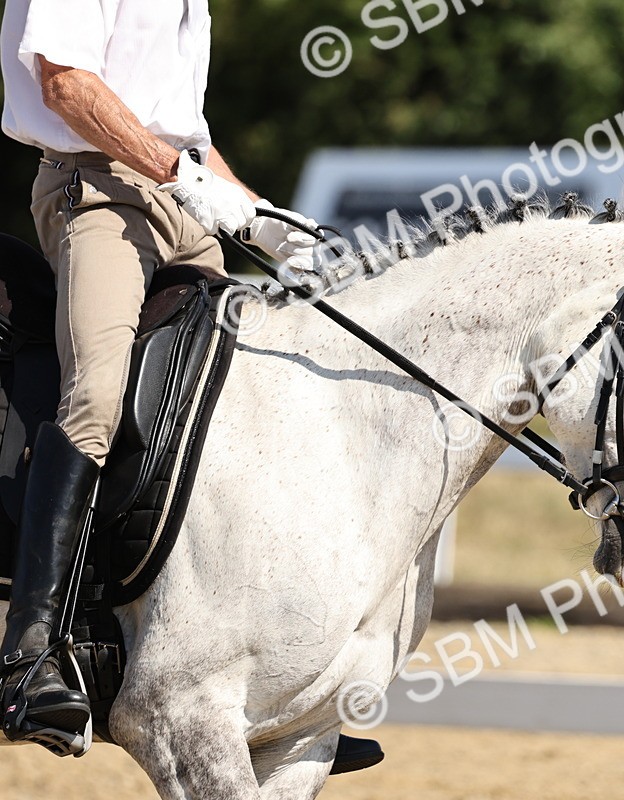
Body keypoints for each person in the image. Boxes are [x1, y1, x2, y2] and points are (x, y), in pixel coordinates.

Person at [0, 0, 382, 772]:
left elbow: (184, 131)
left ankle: (266, 679)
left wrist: (265, 218)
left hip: (180, 200)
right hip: (97, 190)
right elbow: (66, 84)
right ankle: (29, 655)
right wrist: (178, 173)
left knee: (236, 400)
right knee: (99, 394)